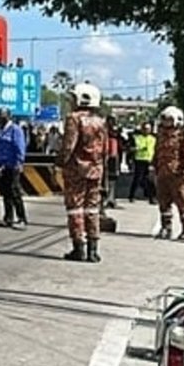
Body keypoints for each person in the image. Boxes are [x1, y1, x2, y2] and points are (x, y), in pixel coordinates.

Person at [59, 83, 109, 263]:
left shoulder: (74, 119)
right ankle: (93, 250)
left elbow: (68, 146)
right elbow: (105, 150)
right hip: (96, 170)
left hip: (76, 171)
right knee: (92, 209)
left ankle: (78, 248)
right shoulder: (100, 121)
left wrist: (60, 163)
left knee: (75, 209)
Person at [152, 107, 184, 239]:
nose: (165, 122)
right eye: (164, 119)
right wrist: (153, 167)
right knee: (163, 202)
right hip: (162, 172)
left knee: (182, 202)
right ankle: (166, 228)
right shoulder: (161, 136)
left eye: (168, 119)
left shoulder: (183, 137)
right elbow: (156, 153)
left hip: (177, 174)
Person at [0, 106, 28, 228]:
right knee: (6, 193)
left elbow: (19, 147)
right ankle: (8, 218)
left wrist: (19, 163)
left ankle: (22, 218)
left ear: (7, 117)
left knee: (15, 191)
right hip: (2, 166)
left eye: (2, 117)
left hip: (13, 165)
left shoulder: (15, 130)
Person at [129, 122, 157, 203]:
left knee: (150, 180)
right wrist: (137, 149)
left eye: (148, 129)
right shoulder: (137, 138)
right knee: (138, 179)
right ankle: (132, 196)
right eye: (145, 129)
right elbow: (130, 148)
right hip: (140, 160)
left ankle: (152, 198)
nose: (147, 130)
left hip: (150, 160)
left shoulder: (153, 139)